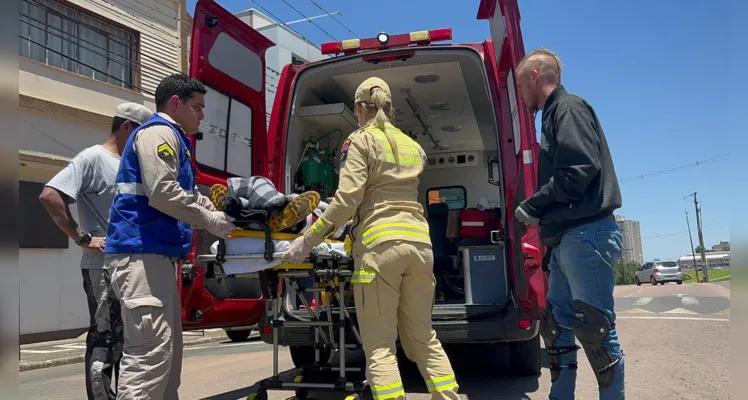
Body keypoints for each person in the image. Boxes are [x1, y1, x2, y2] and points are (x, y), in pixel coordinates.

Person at [282, 77, 460, 400]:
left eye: (356, 110)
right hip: (420, 249)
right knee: (424, 339)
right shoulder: (413, 147)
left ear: (361, 109)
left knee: (380, 347)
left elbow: (347, 200)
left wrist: (307, 239)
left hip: (381, 250)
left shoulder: (360, 141)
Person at [103, 73, 237, 400]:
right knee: (149, 358)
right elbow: (163, 193)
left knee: (165, 362)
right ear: (175, 103)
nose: (202, 115)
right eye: (198, 107)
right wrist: (212, 222)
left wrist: (220, 213)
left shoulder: (174, 139)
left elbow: (185, 194)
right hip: (141, 255)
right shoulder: (159, 133)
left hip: (153, 258)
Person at [513, 48, 625, 400]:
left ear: (535, 76)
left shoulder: (568, 108)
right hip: (566, 239)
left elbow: (579, 171)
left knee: (595, 329)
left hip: (586, 233)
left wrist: (533, 205)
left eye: (520, 87)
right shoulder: (551, 116)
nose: (520, 96)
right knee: (556, 328)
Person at [39, 102, 153, 400]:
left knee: (127, 340)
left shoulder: (132, 166)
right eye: (142, 134)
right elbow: (50, 195)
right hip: (102, 266)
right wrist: (82, 238)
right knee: (105, 337)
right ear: (127, 127)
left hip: (131, 265)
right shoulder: (93, 157)